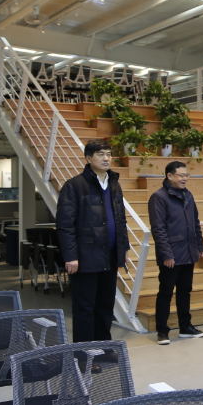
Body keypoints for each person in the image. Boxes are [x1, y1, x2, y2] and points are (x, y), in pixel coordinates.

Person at [56, 140, 130, 343]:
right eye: (100, 154)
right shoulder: (74, 186)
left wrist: (123, 248)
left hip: (110, 256)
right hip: (85, 257)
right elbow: (65, 225)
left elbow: (120, 219)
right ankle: (84, 351)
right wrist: (70, 256)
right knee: (85, 307)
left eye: (108, 154)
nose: (106, 158)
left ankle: (103, 346)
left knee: (105, 305)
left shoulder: (114, 183)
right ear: (88, 158)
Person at [148, 161, 203, 345]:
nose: (184, 178)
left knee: (185, 291)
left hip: (188, 251)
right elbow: (158, 229)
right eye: (181, 175)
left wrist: (200, 246)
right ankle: (162, 331)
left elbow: (195, 222)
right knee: (166, 292)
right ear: (169, 176)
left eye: (186, 175)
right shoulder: (158, 197)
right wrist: (166, 254)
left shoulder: (188, 195)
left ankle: (185, 327)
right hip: (171, 255)